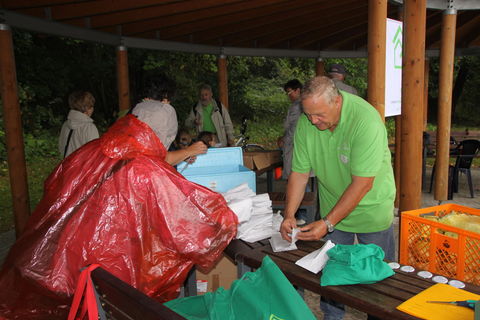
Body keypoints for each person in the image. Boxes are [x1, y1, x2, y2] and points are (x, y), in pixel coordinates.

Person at [280, 76, 395, 320]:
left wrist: (327, 222)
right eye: (309, 114)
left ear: (337, 101)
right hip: (333, 208)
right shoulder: (306, 123)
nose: (313, 121)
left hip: (371, 208)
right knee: (332, 275)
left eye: (319, 114)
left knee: (377, 282)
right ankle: (332, 317)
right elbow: (299, 174)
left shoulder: (365, 120)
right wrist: (289, 214)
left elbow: (363, 183)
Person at [131, 75, 206, 165]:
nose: (168, 102)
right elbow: (158, 158)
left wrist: (181, 155)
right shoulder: (160, 111)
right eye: (167, 99)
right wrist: (189, 151)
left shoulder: (136, 110)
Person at [58, 90, 99, 158]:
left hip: (68, 166)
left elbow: (61, 148)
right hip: (83, 167)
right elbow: (94, 154)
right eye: (91, 106)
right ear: (88, 109)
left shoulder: (65, 125)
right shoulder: (89, 128)